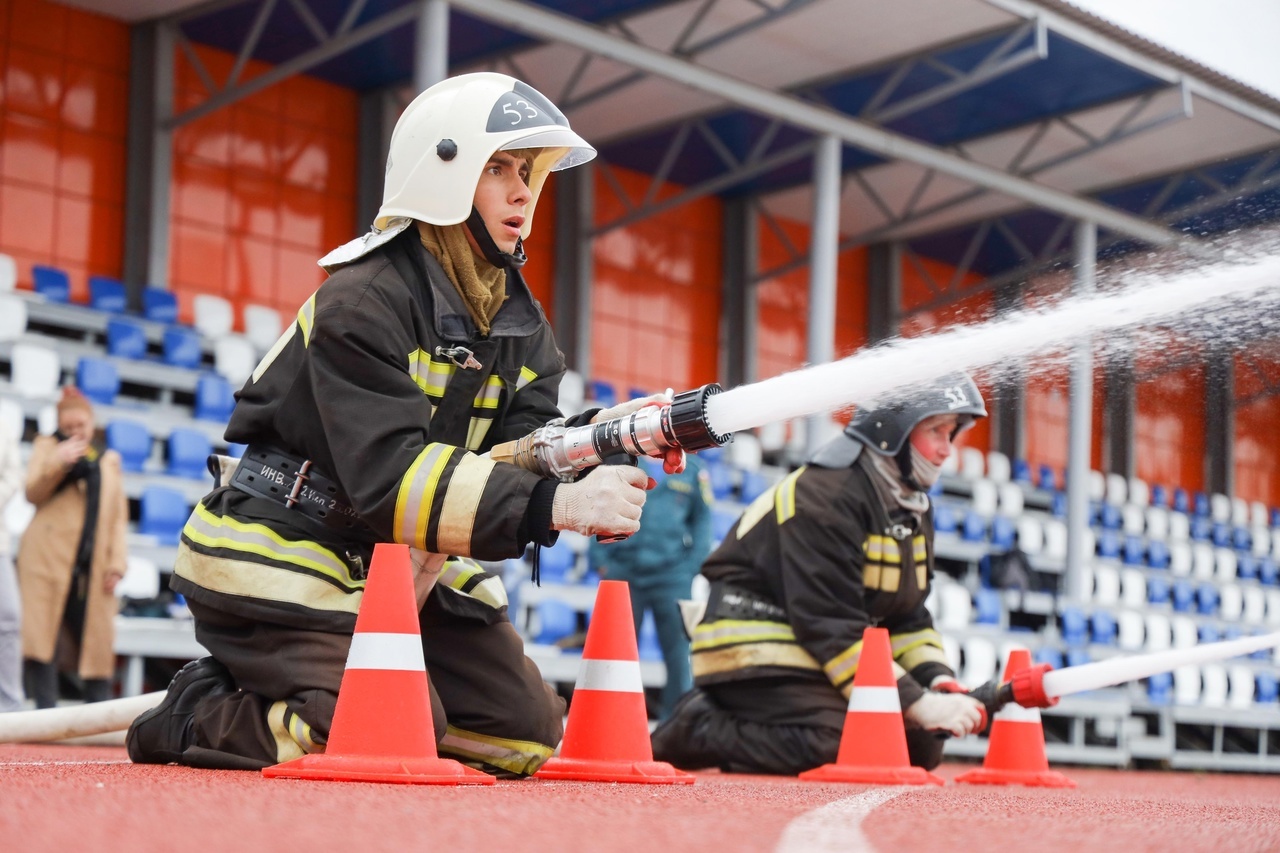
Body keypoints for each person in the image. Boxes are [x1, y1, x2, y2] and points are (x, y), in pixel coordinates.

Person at [127, 72, 680, 775]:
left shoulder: (520, 322)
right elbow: (393, 477)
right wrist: (557, 504)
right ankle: (193, 714)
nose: (523, 193)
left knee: (523, 735)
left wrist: (602, 436)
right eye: (499, 170)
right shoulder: (362, 301)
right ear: (442, 173)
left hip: (396, 557)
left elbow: (521, 449)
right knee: (381, 725)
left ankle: (355, 703)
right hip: (287, 541)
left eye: (529, 174)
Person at [650, 372, 989, 775]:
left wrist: (936, 682)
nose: (945, 450)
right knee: (847, 743)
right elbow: (829, 624)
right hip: (753, 647)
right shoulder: (827, 494)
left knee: (919, 746)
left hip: (813, 647)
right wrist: (915, 702)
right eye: (936, 431)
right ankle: (701, 727)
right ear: (892, 433)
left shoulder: (912, 504)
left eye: (951, 435)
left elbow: (908, 616)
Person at [19, 388, 128, 709]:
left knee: (97, 640)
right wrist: (58, 461)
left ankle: (99, 715)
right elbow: (32, 493)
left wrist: (117, 563)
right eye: (68, 427)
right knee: (41, 637)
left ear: (91, 423)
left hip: (93, 562)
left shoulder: (108, 459)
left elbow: (119, 516)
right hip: (45, 557)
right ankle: (45, 712)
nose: (75, 432)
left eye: (80, 425)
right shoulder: (47, 446)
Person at [588, 452, 713, 720]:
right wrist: (601, 560)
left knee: (679, 656)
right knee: (612, 652)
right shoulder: (621, 462)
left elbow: (703, 520)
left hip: (672, 576)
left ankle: (675, 727)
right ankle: (610, 721)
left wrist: (691, 567)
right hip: (623, 570)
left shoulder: (693, 470)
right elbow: (599, 505)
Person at [0, 421, 25, 712]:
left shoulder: (3, 428)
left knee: (9, 618)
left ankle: (10, 706)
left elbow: (12, 475)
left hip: (0, 541)